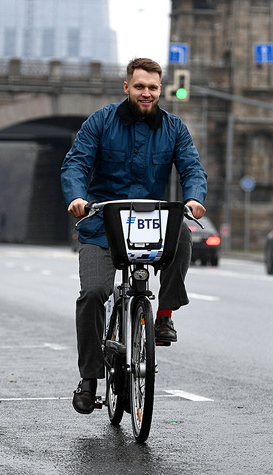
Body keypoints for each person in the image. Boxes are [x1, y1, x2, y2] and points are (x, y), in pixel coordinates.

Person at [60, 58, 208, 415]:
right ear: (126, 87)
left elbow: (191, 167)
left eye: (153, 87)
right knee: (94, 293)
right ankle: (90, 377)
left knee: (184, 236)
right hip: (101, 225)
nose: (146, 93)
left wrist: (194, 198)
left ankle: (164, 316)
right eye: (140, 86)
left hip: (150, 223)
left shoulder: (174, 129)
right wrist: (77, 197)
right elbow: (76, 162)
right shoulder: (101, 122)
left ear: (160, 90)